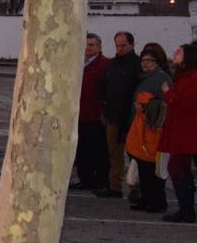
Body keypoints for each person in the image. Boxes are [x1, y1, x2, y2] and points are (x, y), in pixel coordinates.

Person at [160, 43, 197, 222]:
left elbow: (190, 102)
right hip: (178, 127)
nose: (175, 54)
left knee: (177, 168)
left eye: (179, 52)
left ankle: (186, 210)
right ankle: (186, 208)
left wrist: (168, 94)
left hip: (185, 129)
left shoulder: (195, 77)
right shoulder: (183, 75)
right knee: (181, 168)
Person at [126, 43, 171, 214]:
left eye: (150, 60)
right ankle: (146, 199)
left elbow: (166, 103)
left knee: (153, 170)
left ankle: (157, 201)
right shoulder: (142, 77)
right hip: (140, 127)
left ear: (158, 61)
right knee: (143, 167)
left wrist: (145, 107)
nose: (145, 63)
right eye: (143, 60)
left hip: (154, 129)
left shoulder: (162, 78)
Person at [96, 31, 141, 200]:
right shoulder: (112, 64)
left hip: (131, 117)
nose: (120, 49)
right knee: (114, 153)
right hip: (113, 115)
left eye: (123, 45)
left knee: (135, 155)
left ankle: (135, 188)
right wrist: (105, 107)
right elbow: (103, 86)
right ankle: (115, 186)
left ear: (131, 45)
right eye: (117, 45)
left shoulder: (137, 65)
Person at [73, 34, 111, 192]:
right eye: (86, 45)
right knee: (81, 150)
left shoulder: (105, 65)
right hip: (79, 114)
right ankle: (85, 179)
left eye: (92, 45)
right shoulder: (78, 63)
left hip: (96, 115)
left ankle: (101, 180)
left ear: (99, 47)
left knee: (98, 150)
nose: (88, 48)